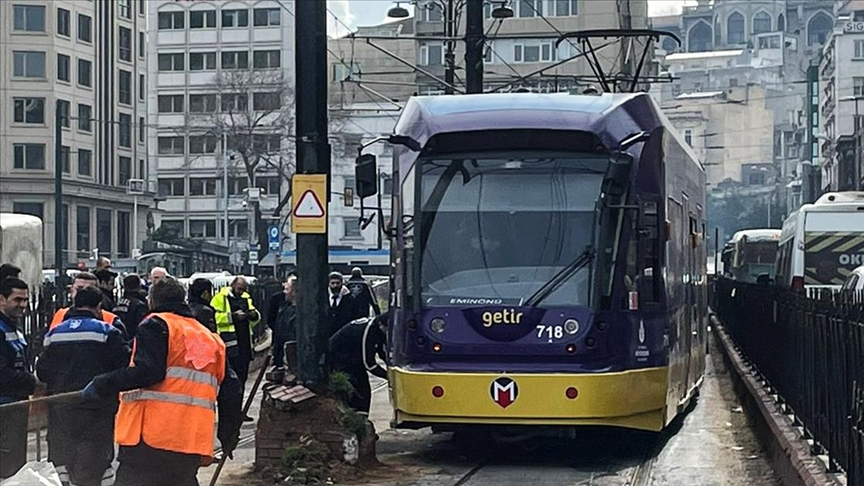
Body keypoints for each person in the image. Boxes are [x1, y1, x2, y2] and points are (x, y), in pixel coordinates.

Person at [84, 277, 243, 486]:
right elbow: (231, 389)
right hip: (190, 441)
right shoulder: (210, 339)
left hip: (150, 440)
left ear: (151, 301)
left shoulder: (157, 325)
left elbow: (148, 371)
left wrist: (103, 383)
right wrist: (229, 434)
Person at [37, 287, 130, 486]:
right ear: (98, 308)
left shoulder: (54, 334)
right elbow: (124, 367)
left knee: (64, 463)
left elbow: (42, 371)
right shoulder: (106, 331)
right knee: (96, 463)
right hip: (96, 409)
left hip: (61, 408)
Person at [0, 277, 36, 479]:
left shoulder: (13, 327)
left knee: (15, 468)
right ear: (1, 299)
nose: (23, 305)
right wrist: (33, 382)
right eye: (17, 300)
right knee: (8, 468)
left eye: (25, 300)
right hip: (5, 408)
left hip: (15, 406)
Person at [211, 277, 260, 419]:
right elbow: (215, 317)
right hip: (229, 346)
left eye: (243, 289)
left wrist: (252, 315)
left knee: (242, 379)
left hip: (244, 345)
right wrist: (233, 316)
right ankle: (228, 413)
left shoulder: (246, 297)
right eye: (239, 288)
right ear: (232, 285)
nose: (241, 292)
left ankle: (238, 411)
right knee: (229, 382)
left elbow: (256, 316)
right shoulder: (220, 298)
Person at [328, 311, 388, 415]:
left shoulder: (378, 330)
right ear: (382, 325)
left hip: (352, 357)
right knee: (359, 388)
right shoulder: (369, 332)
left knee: (362, 387)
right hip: (340, 357)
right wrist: (387, 376)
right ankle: (356, 416)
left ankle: (361, 415)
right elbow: (368, 363)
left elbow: (382, 351)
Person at [51, 272, 127, 337]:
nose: (83, 294)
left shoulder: (110, 319)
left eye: (89, 290)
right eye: (79, 289)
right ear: (71, 291)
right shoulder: (60, 315)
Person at [268, 276, 297, 369]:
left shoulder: (301, 313)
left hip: (291, 358)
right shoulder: (283, 308)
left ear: (294, 291)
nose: (284, 292)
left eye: (287, 289)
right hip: (281, 355)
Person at [112, 275, 149, 340]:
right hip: (132, 340)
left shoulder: (116, 304)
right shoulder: (139, 305)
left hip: (117, 339)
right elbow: (144, 328)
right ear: (139, 286)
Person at [327, 272, 357, 338]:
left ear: (342, 283)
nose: (335, 286)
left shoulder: (350, 299)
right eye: (333, 283)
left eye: (338, 283)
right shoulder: (323, 299)